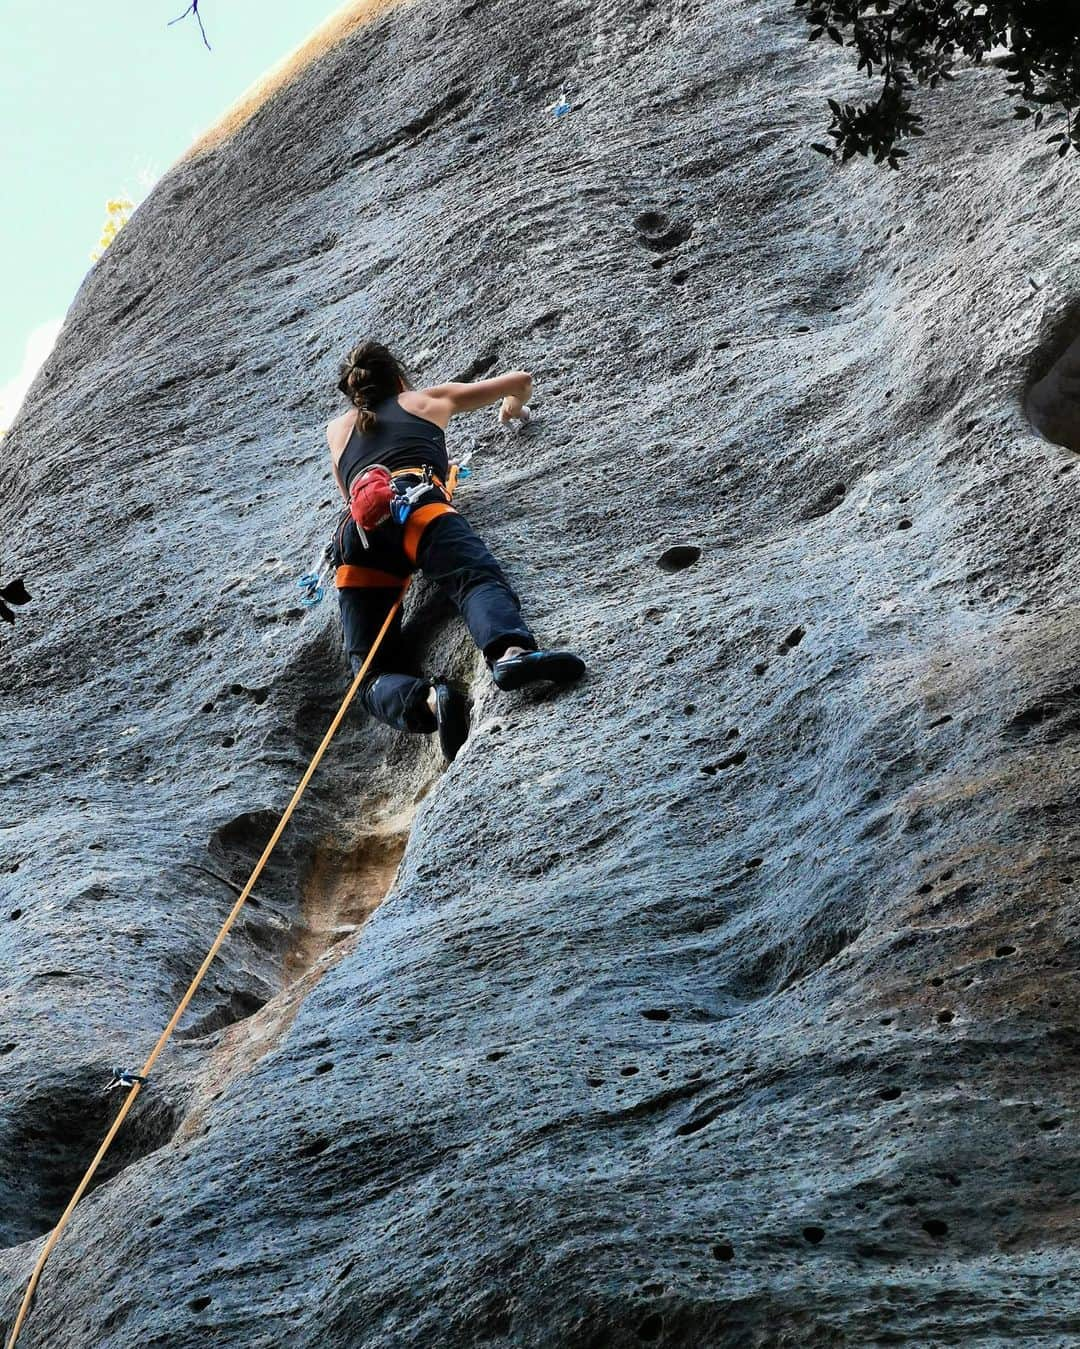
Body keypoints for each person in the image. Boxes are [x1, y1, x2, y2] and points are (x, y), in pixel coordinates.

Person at [325, 339, 586, 761]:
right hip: (420, 508)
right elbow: (520, 382)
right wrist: (512, 410)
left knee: (369, 674)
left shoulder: (336, 431)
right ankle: (510, 654)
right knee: (474, 580)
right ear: (398, 378)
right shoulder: (428, 399)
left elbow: (348, 495)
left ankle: (431, 700)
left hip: (358, 539)